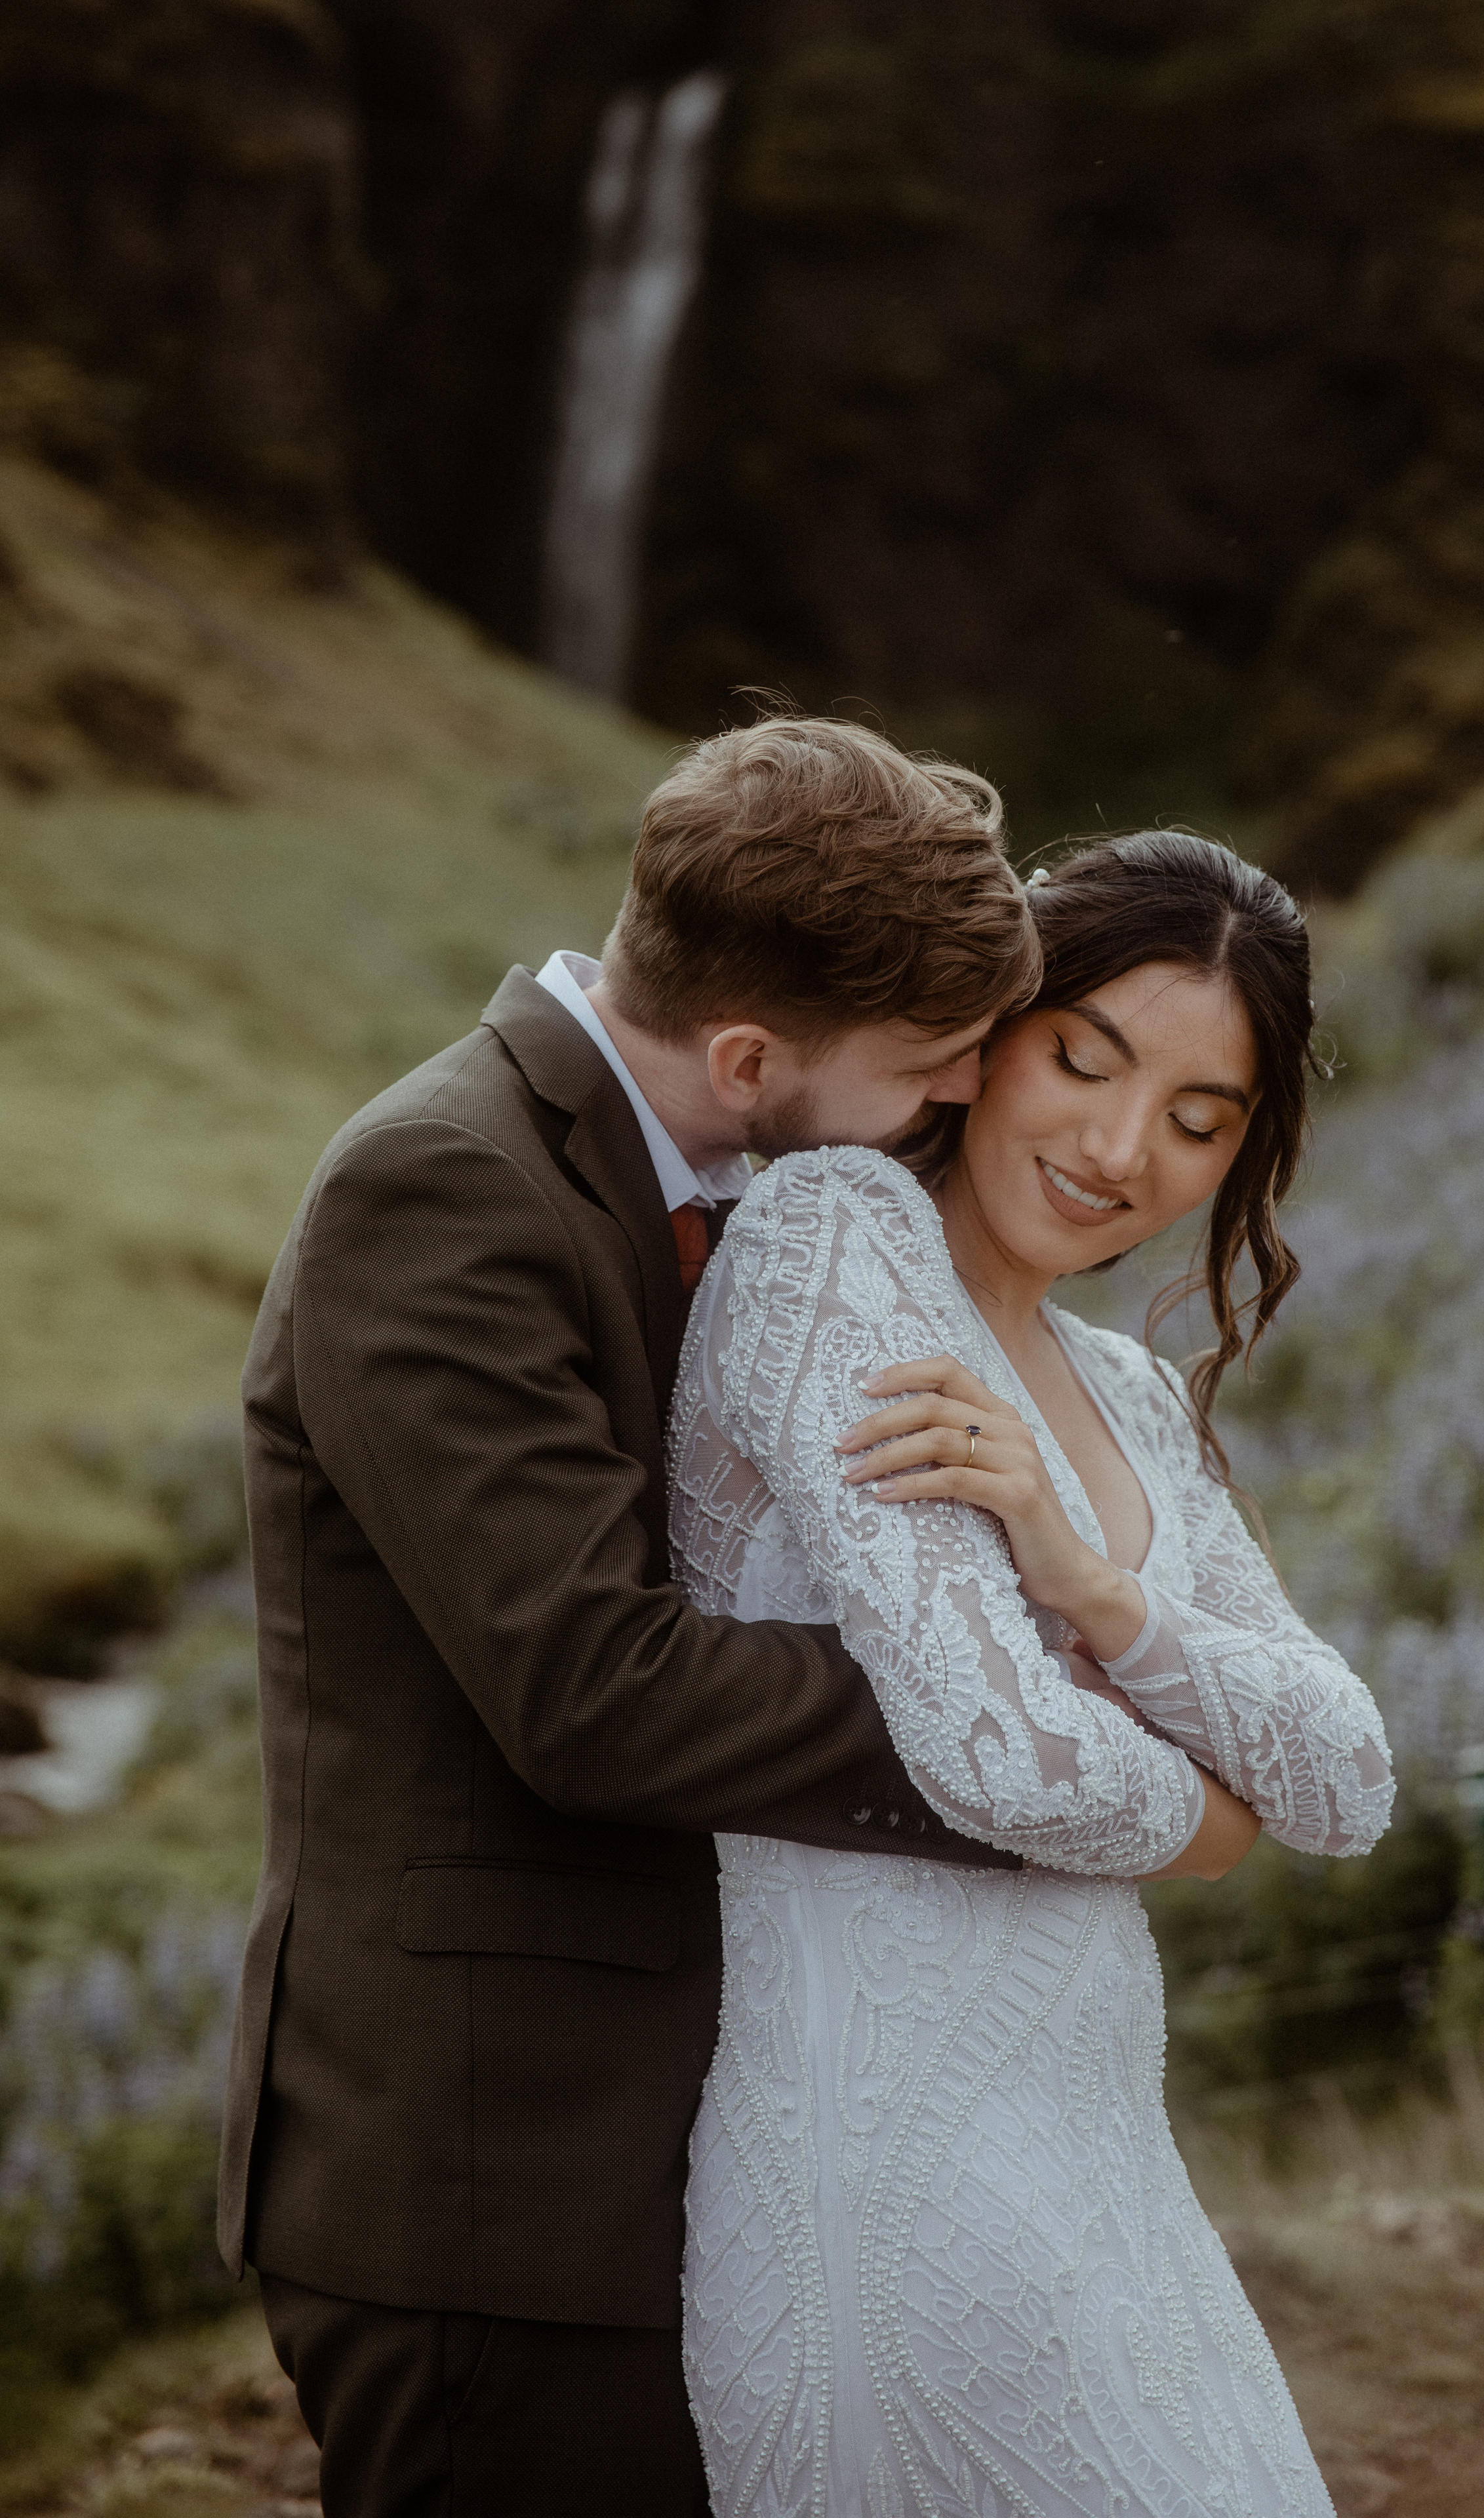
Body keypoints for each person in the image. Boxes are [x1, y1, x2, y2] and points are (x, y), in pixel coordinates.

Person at [218, 714, 1049, 2515]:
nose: (966, 1094)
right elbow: (593, 1692)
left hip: (681, 2163)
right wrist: (1019, 1708)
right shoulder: (439, 1187)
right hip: (491, 2183)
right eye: (931, 1061)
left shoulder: (744, 1186)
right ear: (748, 1052)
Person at [672, 829, 1396, 2517]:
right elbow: (1002, 1762)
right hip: (888, 2185)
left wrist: (1095, 1594)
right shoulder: (836, 1243)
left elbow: (1349, 1779)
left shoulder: (1125, 1398)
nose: (1118, 1148)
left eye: (1198, 1123)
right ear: (990, 1030)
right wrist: (1218, 1826)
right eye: (1085, 1059)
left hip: (1104, 2173)